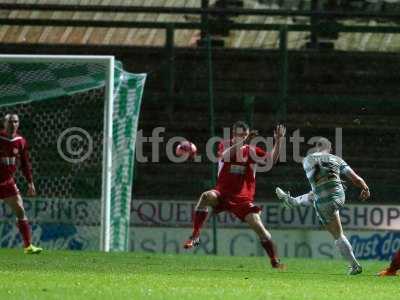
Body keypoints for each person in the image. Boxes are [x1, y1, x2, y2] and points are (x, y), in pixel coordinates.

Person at [183, 121, 286, 269]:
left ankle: (274, 260)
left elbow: (272, 160)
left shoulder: (252, 150)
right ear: (233, 134)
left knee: (259, 227)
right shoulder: (224, 145)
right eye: (240, 135)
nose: (243, 137)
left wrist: (278, 141)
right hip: (222, 193)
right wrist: (244, 142)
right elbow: (225, 156)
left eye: (245, 134)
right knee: (206, 196)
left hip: (243, 199)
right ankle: (195, 235)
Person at [275, 137, 370, 275]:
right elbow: (355, 178)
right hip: (339, 196)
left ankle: (354, 266)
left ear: (316, 147)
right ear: (330, 149)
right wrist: (365, 188)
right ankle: (293, 202)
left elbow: (314, 178)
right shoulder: (337, 159)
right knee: (315, 195)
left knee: (338, 235)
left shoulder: (308, 159)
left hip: (324, 201)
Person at [0, 114, 42, 254]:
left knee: (20, 210)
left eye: (16, 121)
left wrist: (30, 183)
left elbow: (25, 164)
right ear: (4, 123)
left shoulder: (21, 141)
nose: (13, 124)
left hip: (7, 183)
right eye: (10, 121)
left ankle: (28, 246)